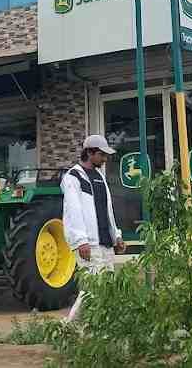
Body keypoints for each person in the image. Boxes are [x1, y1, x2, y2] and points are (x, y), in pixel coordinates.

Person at [61, 134, 126, 322]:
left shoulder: (99, 177)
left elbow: (107, 210)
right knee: (91, 289)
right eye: (101, 155)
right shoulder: (73, 177)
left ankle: (102, 327)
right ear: (89, 153)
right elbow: (74, 211)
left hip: (105, 242)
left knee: (107, 287)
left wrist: (117, 236)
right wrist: (81, 241)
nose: (105, 159)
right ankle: (69, 328)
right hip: (89, 244)